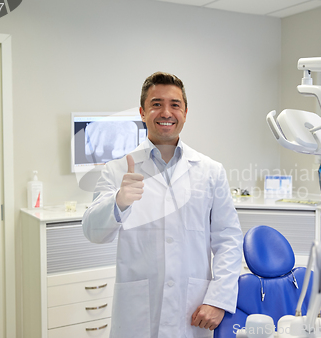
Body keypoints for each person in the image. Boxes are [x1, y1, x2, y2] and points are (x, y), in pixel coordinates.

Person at [82, 71, 243, 338]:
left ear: (185, 112)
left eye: (174, 104)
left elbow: (228, 240)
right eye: (156, 104)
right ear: (142, 112)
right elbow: (93, 232)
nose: (166, 112)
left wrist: (218, 300)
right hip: (138, 313)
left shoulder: (210, 171)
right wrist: (118, 201)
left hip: (193, 309)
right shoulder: (117, 169)